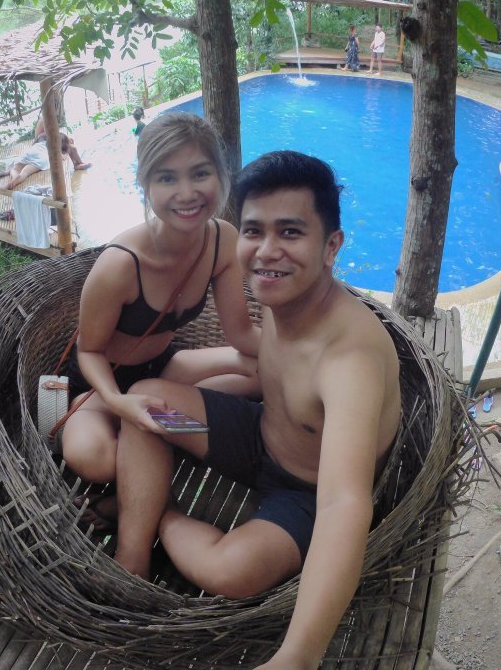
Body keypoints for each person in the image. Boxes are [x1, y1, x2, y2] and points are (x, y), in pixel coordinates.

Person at [113, 151, 401, 669]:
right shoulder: (281, 299)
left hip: (305, 493)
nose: (268, 251)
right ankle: (131, 560)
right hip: (257, 437)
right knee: (147, 406)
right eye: (253, 231)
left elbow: (343, 503)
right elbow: (267, 376)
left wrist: (297, 657)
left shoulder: (350, 358)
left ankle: (161, 516)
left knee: (231, 572)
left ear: (331, 246)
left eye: (290, 232)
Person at [61, 111, 261, 501]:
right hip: (102, 387)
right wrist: (119, 402)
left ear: (221, 176)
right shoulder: (121, 264)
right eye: (167, 178)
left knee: (269, 372)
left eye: (200, 173)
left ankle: (163, 437)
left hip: (166, 368)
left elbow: (241, 334)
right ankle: (164, 438)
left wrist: (302, 355)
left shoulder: (222, 240)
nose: (187, 193)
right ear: (146, 184)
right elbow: (89, 351)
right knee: (95, 460)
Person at [5, 129, 91, 190]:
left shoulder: (43, 137)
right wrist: (67, 153)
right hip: (41, 156)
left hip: (31, 152)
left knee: (15, 169)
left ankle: (15, 177)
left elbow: (36, 141)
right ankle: (78, 164)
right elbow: (63, 156)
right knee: (25, 172)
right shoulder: (59, 143)